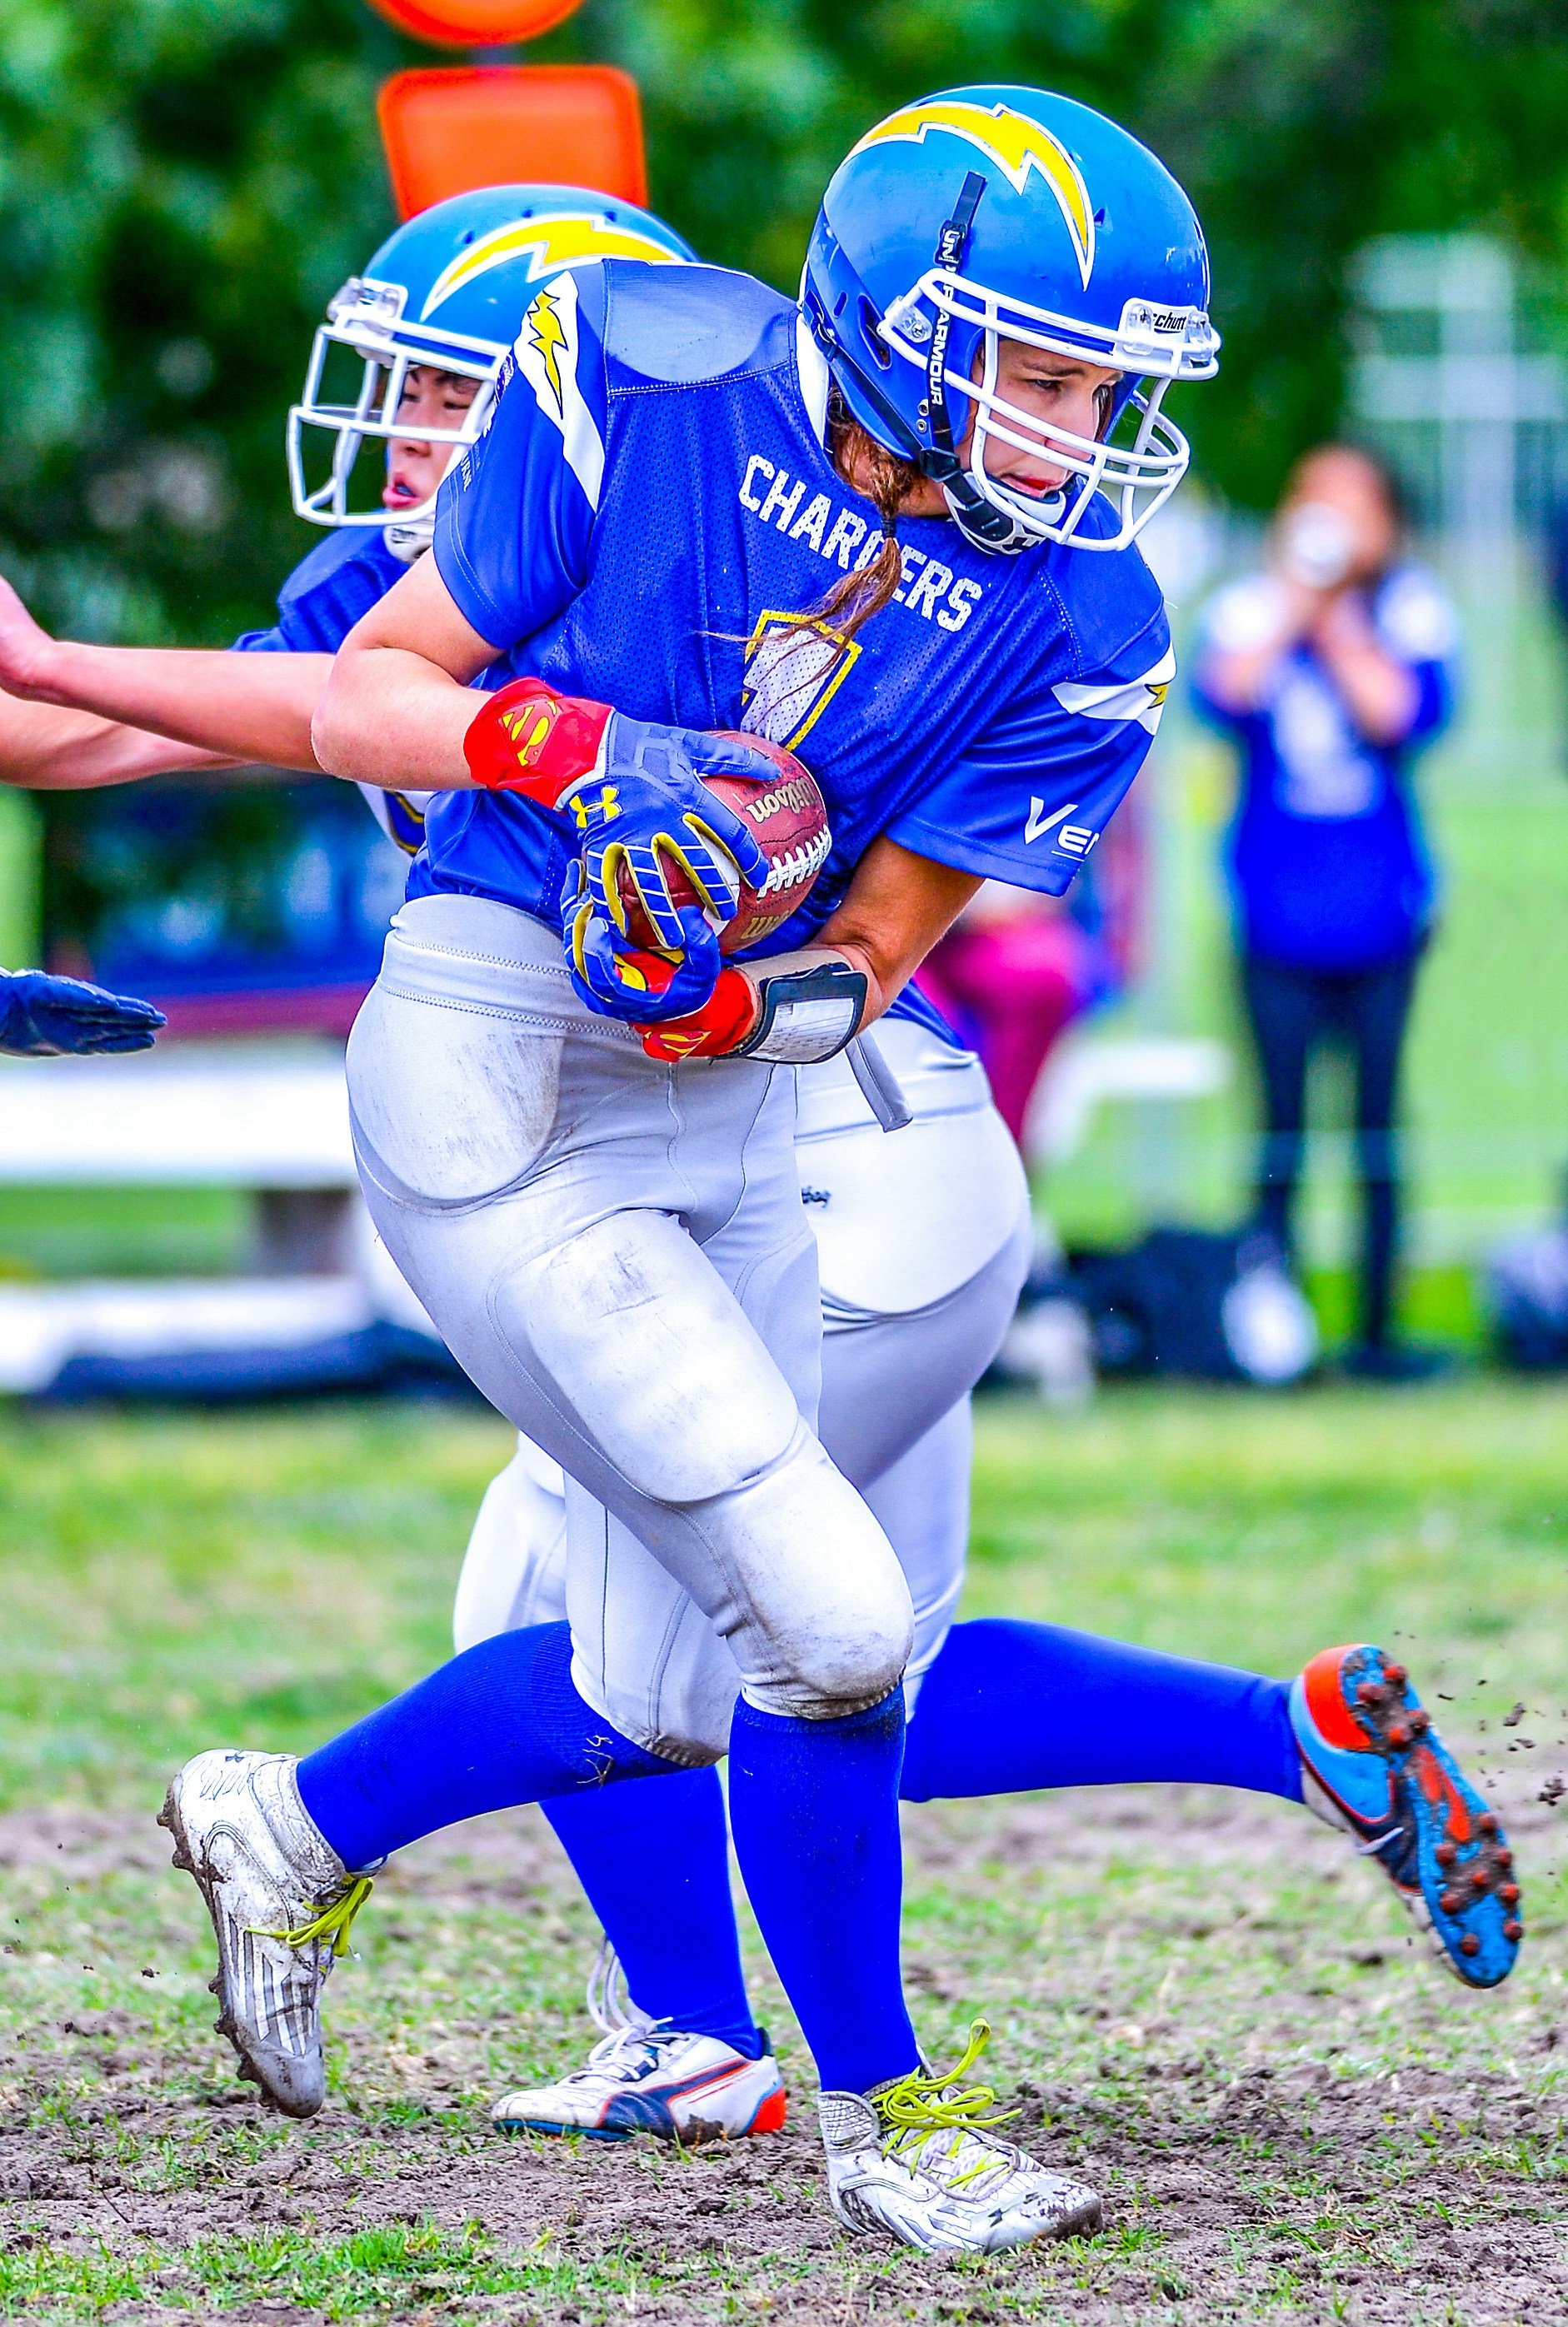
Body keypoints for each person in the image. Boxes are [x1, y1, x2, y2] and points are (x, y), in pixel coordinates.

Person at [1, 126, 1517, 2250]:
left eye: (452, 391)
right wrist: (64, 661)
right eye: (428, 398)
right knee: (820, 1635)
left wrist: (717, 982)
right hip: (732, 1132)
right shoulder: (521, 521)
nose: (415, 440)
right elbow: (131, 721)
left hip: (822, 1131)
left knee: (695, 1627)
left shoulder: (948, 547)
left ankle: (549, 1956)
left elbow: (876, 948)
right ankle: (1231, 1772)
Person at [1193, 445, 1460, 1379]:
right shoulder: (1251, 607)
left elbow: (1399, 715)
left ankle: (1379, 1332)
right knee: (1278, 1128)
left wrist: (1339, 622)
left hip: (1383, 912)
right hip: (1273, 913)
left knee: (1378, 1121)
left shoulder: (1407, 609)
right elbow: (1224, 692)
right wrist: (1293, 607)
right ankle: (1274, 1333)